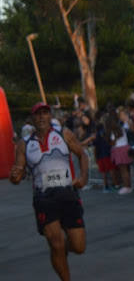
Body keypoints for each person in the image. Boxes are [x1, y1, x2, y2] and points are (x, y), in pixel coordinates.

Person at [10, 102, 89, 281]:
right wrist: (15, 176)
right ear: (32, 119)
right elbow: (18, 173)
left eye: (45, 113)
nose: (42, 117)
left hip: (68, 193)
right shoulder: (24, 144)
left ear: (50, 116)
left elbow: (82, 154)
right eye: (38, 114)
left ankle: (61, 251)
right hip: (44, 198)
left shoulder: (63, 134)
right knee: (56, 243)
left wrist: (84, 178)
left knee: (78, 246)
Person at [106, 105, 133, 195]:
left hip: (119, 149)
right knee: (126, 169)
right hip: (125, 147)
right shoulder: (122, 128)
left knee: (123, 170)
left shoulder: (114, 131)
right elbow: (128, 125)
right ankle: (128, 185)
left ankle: (127, 186)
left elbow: (113, 142)